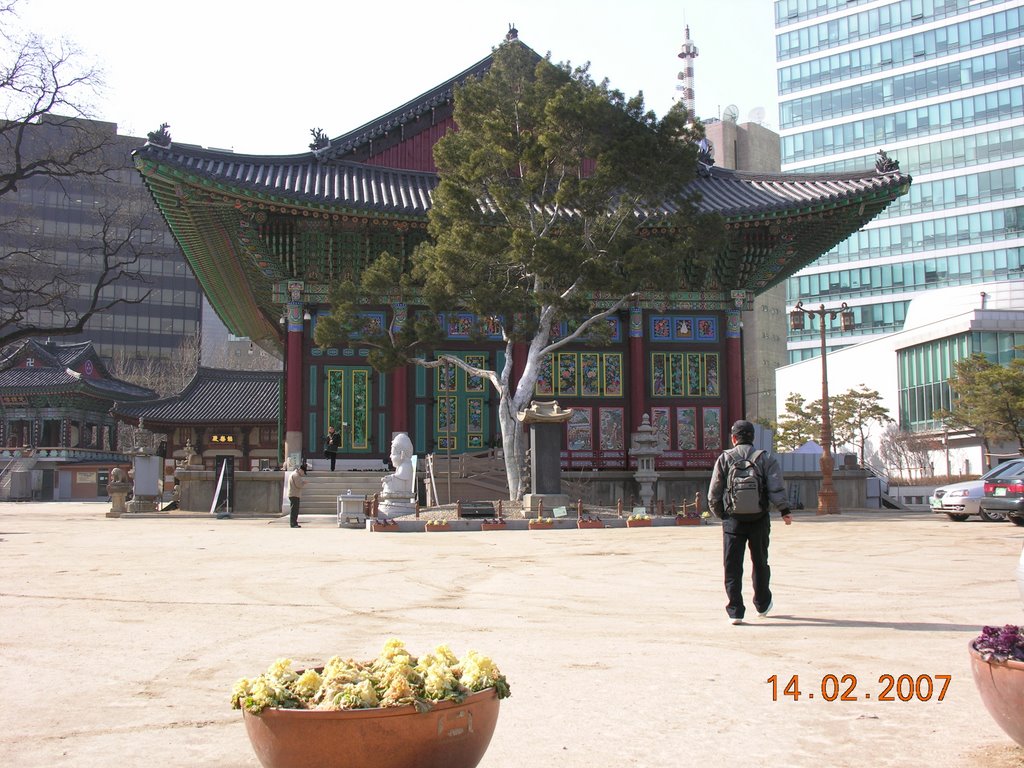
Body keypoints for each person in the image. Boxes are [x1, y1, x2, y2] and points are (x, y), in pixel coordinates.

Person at [707, 420, 792, 625]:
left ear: (733, 438)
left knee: (732, 565)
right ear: (752, 438)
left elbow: (714, 492)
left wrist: (723, 514)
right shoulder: (765, 458)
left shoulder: (725, 458)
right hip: (759, 518)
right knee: (760, 561)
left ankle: (735, 610)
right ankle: (762, 603)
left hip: (733, 521)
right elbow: (776, 487)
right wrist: (784, 510)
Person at [285, 462, 308, 528]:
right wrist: (303, 483)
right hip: (294, 494)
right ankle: (293, 523)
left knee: (294, 509)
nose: (303, 474)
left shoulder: (295, 474)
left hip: (293, 494)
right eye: (303, 472)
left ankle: (294, 523)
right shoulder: (296, 475)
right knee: (294, 510)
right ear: (301, 470)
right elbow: (299, 485)